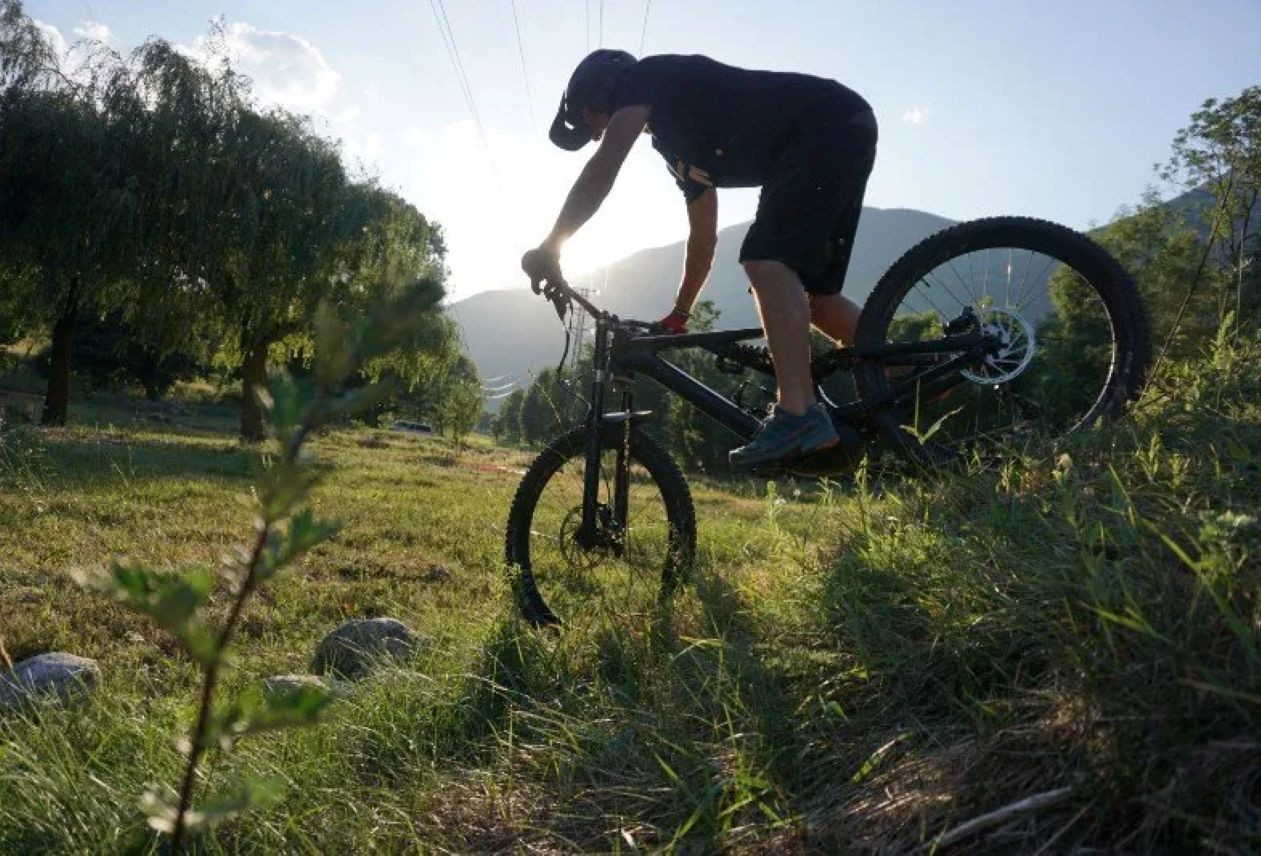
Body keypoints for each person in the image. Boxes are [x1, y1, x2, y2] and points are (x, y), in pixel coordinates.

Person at [521, 50, 878, 468]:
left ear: (604, 91)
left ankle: (799, 414)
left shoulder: (647, 76)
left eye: (591, 120)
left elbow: (602, 171)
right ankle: (910, 366)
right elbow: (703, 240)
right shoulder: (677, 150)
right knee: (811, 298)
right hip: (838, 130)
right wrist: (680, 312)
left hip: (825, 125)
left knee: (765, 260)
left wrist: (550, 246)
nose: (598, 134)